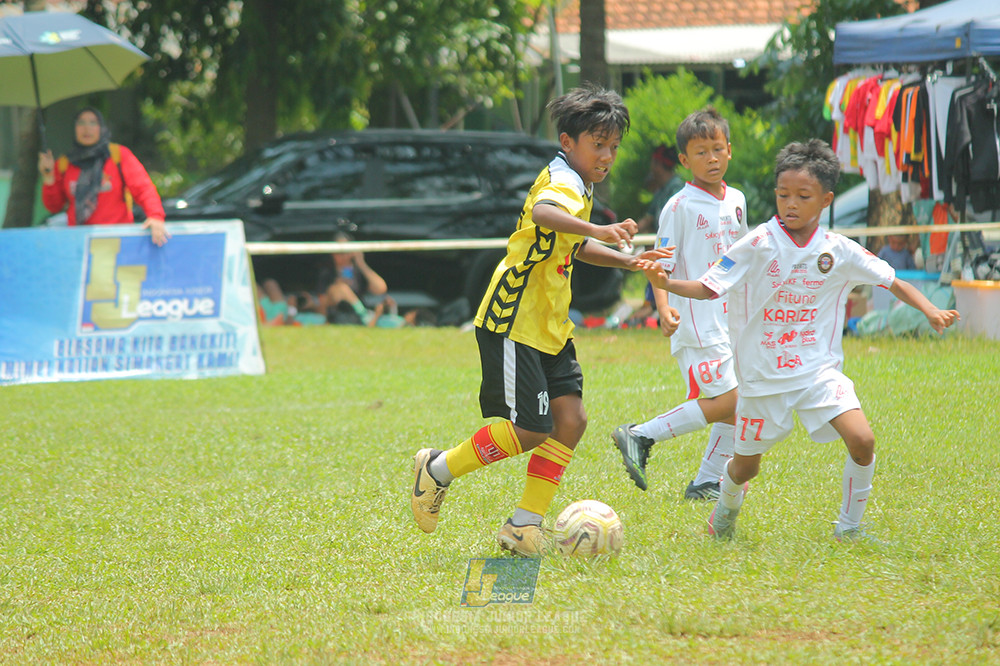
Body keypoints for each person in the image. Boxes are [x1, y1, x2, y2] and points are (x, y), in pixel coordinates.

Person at [640, 139, 959, 542]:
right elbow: (708, 286)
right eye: (783, 194)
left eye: (802, 196)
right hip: (763, 379)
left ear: (826, 200)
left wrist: (929, 309)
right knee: (745, 467)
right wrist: (666, 284)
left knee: (862, 439)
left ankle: (849, 529)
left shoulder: (837, 250)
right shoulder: (758, 243)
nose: (790, 204)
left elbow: (891, 279)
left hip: (816, 373)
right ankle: (724, 511)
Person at [409, 85, 670, 557]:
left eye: (614, 146)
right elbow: (545, 213)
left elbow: (572, 244)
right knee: (532, 428)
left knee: (571, 420)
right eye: (598, 144)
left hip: (549, 324)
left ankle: (522, 526)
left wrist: (626, 260)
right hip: (514, 320)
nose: (607, 156)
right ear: (568, 141)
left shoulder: (580, 182)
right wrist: (598, 226)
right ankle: (438, 469)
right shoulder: (563, 181)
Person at [612, 107, 748, 500]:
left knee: (737, 404)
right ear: (685, 160)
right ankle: (641, 435)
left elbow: (743, 257)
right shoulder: (679, 206)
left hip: (731, 320)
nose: (712, 158)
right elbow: (659, 266)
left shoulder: (736, 200)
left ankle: (706, 481)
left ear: (729, 150)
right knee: (730, 400)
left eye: (717, 149)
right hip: (696, 321)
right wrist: (662, 306)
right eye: (701, 152)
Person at [39, 107, 169, 247]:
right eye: (81, 123)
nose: (86, 128)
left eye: (93, 123)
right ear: (75, 128)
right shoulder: (64, 164)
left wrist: (155, 216)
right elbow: (54, 206)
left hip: (118, 241)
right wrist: (48, 177)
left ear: (101, 127)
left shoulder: (118, 155)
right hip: (80, 244)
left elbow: (143, 188)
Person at [315, 231, 389, 324]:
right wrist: (337, 286)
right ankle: (364, 315)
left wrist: (361, 264)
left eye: (345, 251)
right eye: (338, 252)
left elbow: (380, 289)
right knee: (341, 288)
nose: (342, 255)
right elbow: (322, 302)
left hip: (355, 315)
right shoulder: (327, 272)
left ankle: (362, 313)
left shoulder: (358, 271)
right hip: (336, 313)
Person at [636, 144, 684, 234]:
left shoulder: (677, 188)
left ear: (657, 164)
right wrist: (628, 233)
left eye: (653, 161)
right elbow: (648, 219)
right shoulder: (661, 190)